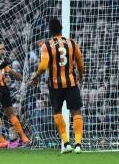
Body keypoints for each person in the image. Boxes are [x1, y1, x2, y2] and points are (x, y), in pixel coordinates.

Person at [29, 18, 84, 154]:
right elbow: (80, 61)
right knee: (76, 111)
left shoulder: (46, 45)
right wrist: (80, 75)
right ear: (61, 29)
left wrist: (36, 76)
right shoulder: (72, 43)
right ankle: (77, 145)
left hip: (55, 85)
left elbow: (42, 65)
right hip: (71, 83)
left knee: (57, 112)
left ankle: (66, 143)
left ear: (50, 31)